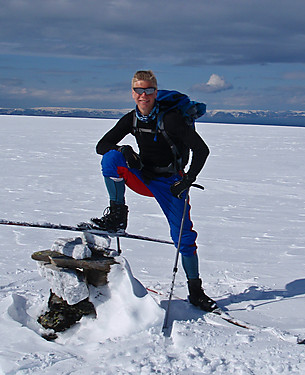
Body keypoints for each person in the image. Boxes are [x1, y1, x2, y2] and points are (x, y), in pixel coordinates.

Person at [91, 70, 217, 312]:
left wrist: (187, 180)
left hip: (171, 183)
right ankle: (117, 216)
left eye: (148, 90)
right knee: (111, 158)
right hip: (144, 176)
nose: (143, 95)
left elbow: (202, 150)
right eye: (138, 90)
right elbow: (101, 146)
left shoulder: (170, 119)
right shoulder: (132, 118)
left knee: (184, 237)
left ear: (155, 92)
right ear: (132, 93)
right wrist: (125, 149)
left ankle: (196, 291)